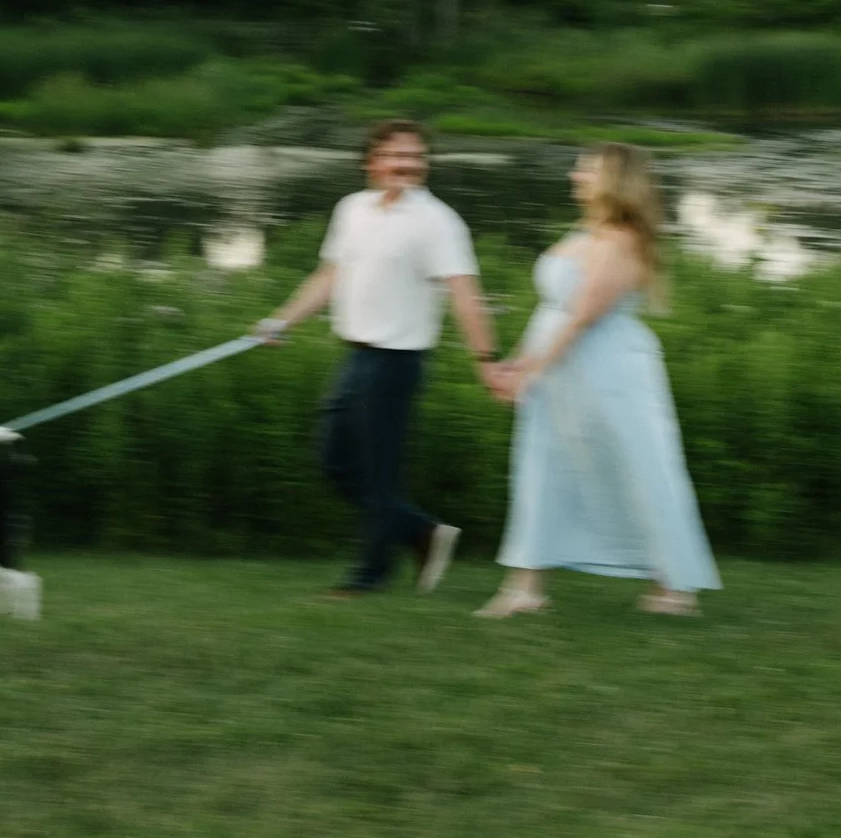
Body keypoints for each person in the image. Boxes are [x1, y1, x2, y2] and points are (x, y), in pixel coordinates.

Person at [254, 119, 503, 597]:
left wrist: (486, 359)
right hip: (356, 355)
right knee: (334, 462)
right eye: (396, 156)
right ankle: (419, 532)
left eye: (416, 157)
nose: (407, 166)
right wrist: (281, 320)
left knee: (379, 472)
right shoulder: (353, 209)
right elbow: (330, 276)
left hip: (397, 361)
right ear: (371, 163)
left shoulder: (438, 222)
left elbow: (465, 294)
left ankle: (370, 575)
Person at [475, 142, 720, 619]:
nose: (574, 176)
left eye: (585, 170)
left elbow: (583, 316)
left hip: (607, 374)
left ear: (612, 179)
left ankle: (673, 587)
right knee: (543, 467)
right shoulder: (586, 233)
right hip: (560, 373)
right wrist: (516, 364)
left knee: (636, 467)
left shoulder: (624, 239)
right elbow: (553, 312)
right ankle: (526, 587)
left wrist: (531, 369)